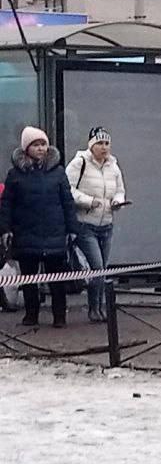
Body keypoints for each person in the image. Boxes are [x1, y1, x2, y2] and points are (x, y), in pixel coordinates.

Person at [0, 127, 80, 327]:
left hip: (54, 232)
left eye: (43, 144)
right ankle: (31, 314)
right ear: (26, 148)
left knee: (57, 279)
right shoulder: (15, 174)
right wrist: (5, 229)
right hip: (26, 232)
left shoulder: (58, 172)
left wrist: (72, 229)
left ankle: (59, 316)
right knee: (28, 279)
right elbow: (6, 204)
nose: (41, 148)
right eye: (36, 145)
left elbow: (67, 202)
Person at [66, 127, 127, 323]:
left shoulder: (113, 166)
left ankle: (99, 307)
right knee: (98, 267)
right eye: (99, 143)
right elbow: (68, 190)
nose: (104, 147)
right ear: (91, 145)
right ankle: (94, 307)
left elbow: (119, 190)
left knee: (103, 269)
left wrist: (118, 201)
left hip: (107, 223)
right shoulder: (79, 163)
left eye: (106, 143)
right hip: (86, 224)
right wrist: (88, 201)